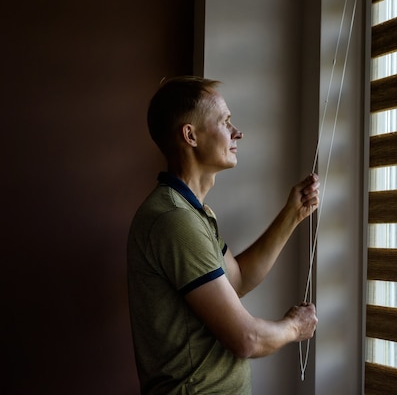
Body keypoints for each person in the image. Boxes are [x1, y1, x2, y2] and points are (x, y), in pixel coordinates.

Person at [127, 76, 319, 394]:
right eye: (225, 122)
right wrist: (295, 328)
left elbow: (238, 278)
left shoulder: (195, 214)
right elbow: (246, 339)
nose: (237, 132)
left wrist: (293, 214)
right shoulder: (174, 221)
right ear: (190, 135)